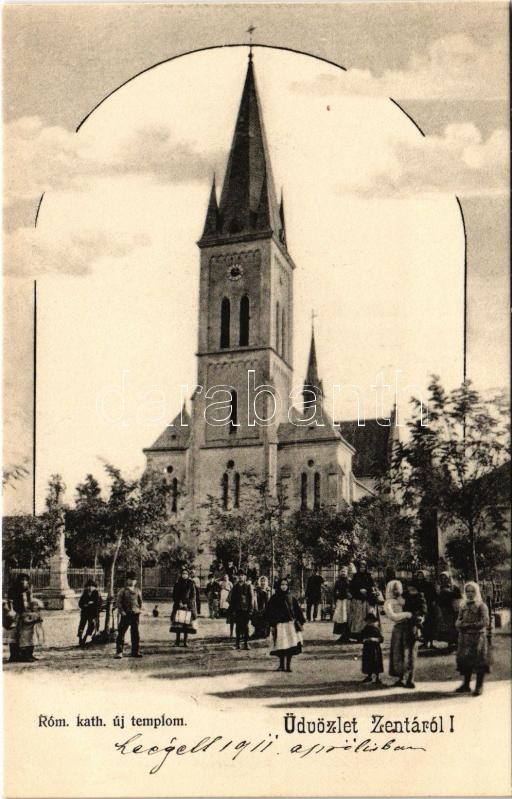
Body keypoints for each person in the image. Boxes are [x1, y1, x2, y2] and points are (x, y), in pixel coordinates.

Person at [455, 581, 490, 696]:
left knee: (478, 661)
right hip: (465, 637)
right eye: (467, 591)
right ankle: (466, 685)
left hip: (477, 637)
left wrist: (470, 625)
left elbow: (485, 622)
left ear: (477, 592)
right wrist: (459, 624)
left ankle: (479, 686)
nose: (470, 594)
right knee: (465, 660)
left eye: (472, 591)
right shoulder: (463, 605)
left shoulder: (481, 605)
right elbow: (459, 619)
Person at [266, 577, 305, 672]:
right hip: (280, 625)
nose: (284, 586)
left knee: (291, 645)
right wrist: (272, 623)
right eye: (282, 585)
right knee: (281, 645)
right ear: (279, 586)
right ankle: (281, 665)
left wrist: (300, 620)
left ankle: (288, 665)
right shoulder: (274, 598)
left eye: (285, 585)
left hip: (290, 625)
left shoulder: (291, 597)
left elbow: (297, 610)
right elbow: (269, 611)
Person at [384, 579, 416, 689]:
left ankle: (410, 678)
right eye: (394, 589)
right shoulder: (388, 603)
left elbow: (415, 607)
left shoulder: (405, 598)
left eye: (398, 588)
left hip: (409, 627)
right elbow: (393, 616)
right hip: (398, 628)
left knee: (410, 652)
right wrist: (407, 614)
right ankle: (400, 677)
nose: (396, 591)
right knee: (398, 652)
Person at [8, 573, 42, 663]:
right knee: (15, 636)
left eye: (26, 580)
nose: (24, 582)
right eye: (22, 580)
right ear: (18, 581)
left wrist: (33, 611)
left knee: (28, 635)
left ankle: (28, 654)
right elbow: (10, 602)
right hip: (17, 614)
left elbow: (30, 602)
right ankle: (15, 655)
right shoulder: (13, 590)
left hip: (26, 615)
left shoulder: (27, 591)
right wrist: (12, 612)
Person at [115, 570, 143, 659]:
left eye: (134, 580)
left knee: (135, 634)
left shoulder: (138, 591)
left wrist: (139, 610)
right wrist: (122, 612)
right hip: (125, 615)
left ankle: (135, 651)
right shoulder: (122, 591)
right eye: (130, 580)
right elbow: (118, 603)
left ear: (136, 581)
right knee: (121, 633)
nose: (132, 582)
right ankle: (119, 652)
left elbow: (140, 602)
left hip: (135, 614)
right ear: (127, 580)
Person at [349, 561, 377, 641]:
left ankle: (366, 635)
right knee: (358, 618)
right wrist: (359, 590)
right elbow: (351, 588)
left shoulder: (368, 576)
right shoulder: (355, 576)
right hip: (357, 599)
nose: (362, 569)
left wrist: (367, 590)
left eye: (364, 567)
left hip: (366, 600)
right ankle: (358, 635)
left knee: (366, 618)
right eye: (361, 567)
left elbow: (372, 587)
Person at [170, 566, 197, 647]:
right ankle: (177, 642)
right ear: (181, 574)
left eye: (186, 573)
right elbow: (174, 595)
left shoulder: (191, 583)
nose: (184, 575)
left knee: (186, 625)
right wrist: (178, 602)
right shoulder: (177, 583)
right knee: (178, 625)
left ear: (188, 575)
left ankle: (185, 642)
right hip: (178, 606)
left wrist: (187, 603)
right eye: (183, 573)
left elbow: (193, 596)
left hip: (187, 607)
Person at [412, 569, 439, 648]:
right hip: (419, 607)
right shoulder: (415, 585)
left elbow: (433, 595)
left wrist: (432, 603)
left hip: (429, 606)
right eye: (419, 575)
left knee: (429, 624)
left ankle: (430, 642)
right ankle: (424, 641)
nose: (420, 576)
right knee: (421, 625)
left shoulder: (429, 584)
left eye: (422, 575)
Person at [437, 571, 462, 651]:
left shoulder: (454, 587)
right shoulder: (440, 587)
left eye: (445, 578)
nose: (444, 579)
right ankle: (450, 643)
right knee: (447, 627)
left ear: (449, 578)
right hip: (445, 609)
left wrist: (449, 592)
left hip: (453, 609)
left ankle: (457, 643)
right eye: (442, 578)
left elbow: (459, 596)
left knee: (454, 626)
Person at [228, 571, 254, 650]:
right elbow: (232, 600)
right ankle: (237, 644)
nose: (240, 577)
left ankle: (246, 644)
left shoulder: (248, 586)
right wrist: (232, 610)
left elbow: (251, 599)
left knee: (245, 627)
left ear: (245, 577)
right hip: (237, 610)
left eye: (242, 575)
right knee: (238, 627)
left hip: (246, 610)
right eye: (239, 575)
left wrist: (251, 610)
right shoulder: (235, 587)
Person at [360, 612, 384, 684]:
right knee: (368, 662)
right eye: (368, 621)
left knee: (376, 662)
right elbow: (361, 637)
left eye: (371, 621)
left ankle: (377, 677)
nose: (370, 623)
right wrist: (365, 640)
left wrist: (374, 639)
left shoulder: (377, 629)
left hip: (375, 649)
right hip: (367, 648)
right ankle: (369, 676)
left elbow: (381, 639)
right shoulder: (365, 629)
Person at [77, 579, 102, 647]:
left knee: (91, 624)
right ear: (86, 587)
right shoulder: (85, 594)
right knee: (82, 624)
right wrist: (86, 605)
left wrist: (90, 604)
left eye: (91, 586)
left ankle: (86, 637)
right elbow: (80, 604)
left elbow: (99, 603)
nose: (90, 588)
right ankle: (80, 637)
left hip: (93, 613)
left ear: (94, 587)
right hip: (85, 612)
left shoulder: (96, 593)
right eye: (88, 586)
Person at [332, 565, 351, 643]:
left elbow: (353, 590)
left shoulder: (349, 580)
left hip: (347, 601)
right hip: (340, 601)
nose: (343, 573)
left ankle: (347, 636)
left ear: (347, 572)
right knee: (340, 618)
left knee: (347, 618)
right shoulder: (338, 581)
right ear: (340, 572)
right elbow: (334, 592)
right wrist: (334, 601)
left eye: (344, 571)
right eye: (342, 571)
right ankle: (342, 635)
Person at [251, 576, 271, 640]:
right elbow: (254, 598)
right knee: (258, 620)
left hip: (266, 608)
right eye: (262, 581)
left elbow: (270, 600)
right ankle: (257, 633)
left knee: (265, 621)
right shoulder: (257, 590)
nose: (263, 583)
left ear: (266, 582)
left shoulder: (269, 590)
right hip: (258, 607)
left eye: (264, 581)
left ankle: (265, 633)